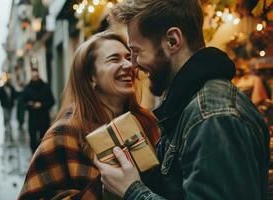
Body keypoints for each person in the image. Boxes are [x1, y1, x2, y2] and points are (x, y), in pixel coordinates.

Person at [94, 1, 270, 200]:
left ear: (172, 41)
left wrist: (132, 190)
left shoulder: (212, 116)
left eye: (137, 51)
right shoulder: (187, 106)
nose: (133, 64)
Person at [18, 31, 159, 200]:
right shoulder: (65, 134)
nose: (129, 65)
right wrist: (105, 191)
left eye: (128, 58)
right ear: (91, 77)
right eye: (114, 59)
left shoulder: (146, 121)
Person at [22, 68, 55, 153]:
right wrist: (30, 105)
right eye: (33, 76)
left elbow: (52, 101)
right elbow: (23, 103)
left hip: (44, 117)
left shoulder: (45, 87)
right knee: (33, 139)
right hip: (32, 118)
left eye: (36, 76)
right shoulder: (27, 88)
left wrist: (42, 105)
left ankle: (43, 154)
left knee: (44, 139)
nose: (35, 77)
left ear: (39, 75)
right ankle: (35, 155)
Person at [0, 78, 17, 142]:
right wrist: (2, 103)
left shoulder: (11, 88)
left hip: (10, 106)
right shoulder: (1, 89)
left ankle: (8, 124)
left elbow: (14, 95)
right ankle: (7, 125)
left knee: (9, 117)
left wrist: (13, 102)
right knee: (6, 116)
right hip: (5, 106)